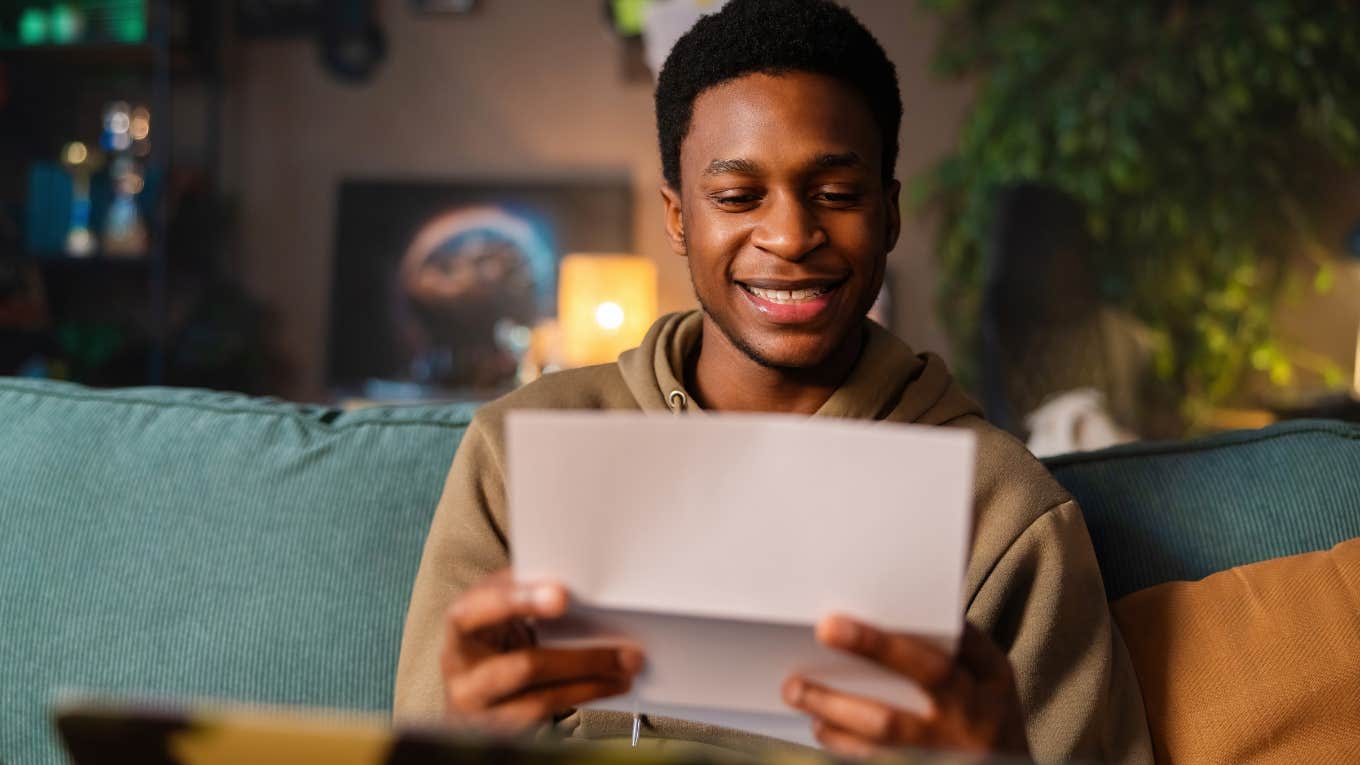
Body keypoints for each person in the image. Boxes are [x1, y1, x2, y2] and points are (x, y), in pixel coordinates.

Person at [394, 1, 1152, 761]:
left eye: (835, 193)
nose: (790, 236)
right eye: (736, 196)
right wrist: (457, 738)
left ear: (889, 213)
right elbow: (424, 736)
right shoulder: (517, 451)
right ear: (678, 217)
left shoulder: (1007, 512)